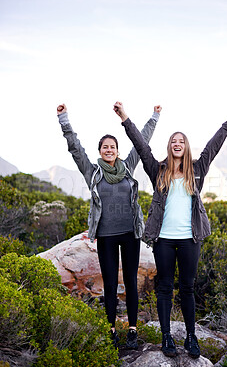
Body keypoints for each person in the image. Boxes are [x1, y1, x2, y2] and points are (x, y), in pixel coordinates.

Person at [114, 101, 227, 358]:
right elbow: (141, 146)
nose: (177, 143)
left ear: (185, 147)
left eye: (181, 141)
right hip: (163, 239)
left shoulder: (196, 170)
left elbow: (213, 146)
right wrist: (125, 118)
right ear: (169, 146)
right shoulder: (158, 170)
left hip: (189, 239)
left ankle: (191, 338)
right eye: (173, 140)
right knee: (164, 287)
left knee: (187, 288)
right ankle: (166, 338)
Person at [57, 102, 162, 350]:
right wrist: (64, 120)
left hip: (129, 234)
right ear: (100, 151)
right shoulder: (92, 172)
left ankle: (133, 330)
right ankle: (112, 329)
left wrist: (154, 117)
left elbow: (142, 141)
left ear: (117, 150)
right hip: (105, 236)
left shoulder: (128, 167)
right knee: (111, 284)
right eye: (105, 147)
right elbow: (75, 149)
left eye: (113, 147)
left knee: (130, 282)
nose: (109, 150)